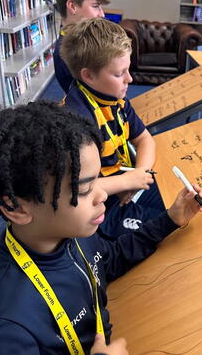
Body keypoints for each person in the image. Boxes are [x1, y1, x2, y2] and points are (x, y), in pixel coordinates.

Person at [0, 101, 202, 353]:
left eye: (98, 181)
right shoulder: (9, 326)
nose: (102, 195)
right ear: (18, 208)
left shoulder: (71, 233)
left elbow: (108, 261)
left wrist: (169, 220)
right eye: (84, 189)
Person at [60, 17, 165, 238]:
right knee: (162, 229)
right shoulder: (75, 120)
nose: (130, 79)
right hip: (101, 206)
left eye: (128, 70)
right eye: (119, 74)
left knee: (177, 202)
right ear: (88, 75)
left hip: (125, 183)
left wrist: (139, 174)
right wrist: (125, 182)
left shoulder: (117, 100)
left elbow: (145, 140)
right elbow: (75, 191)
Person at [54, 0, 110, 93]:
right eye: (95, 6)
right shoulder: (67, 54)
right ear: (73, 6)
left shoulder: (84, 40)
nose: (102, 14)